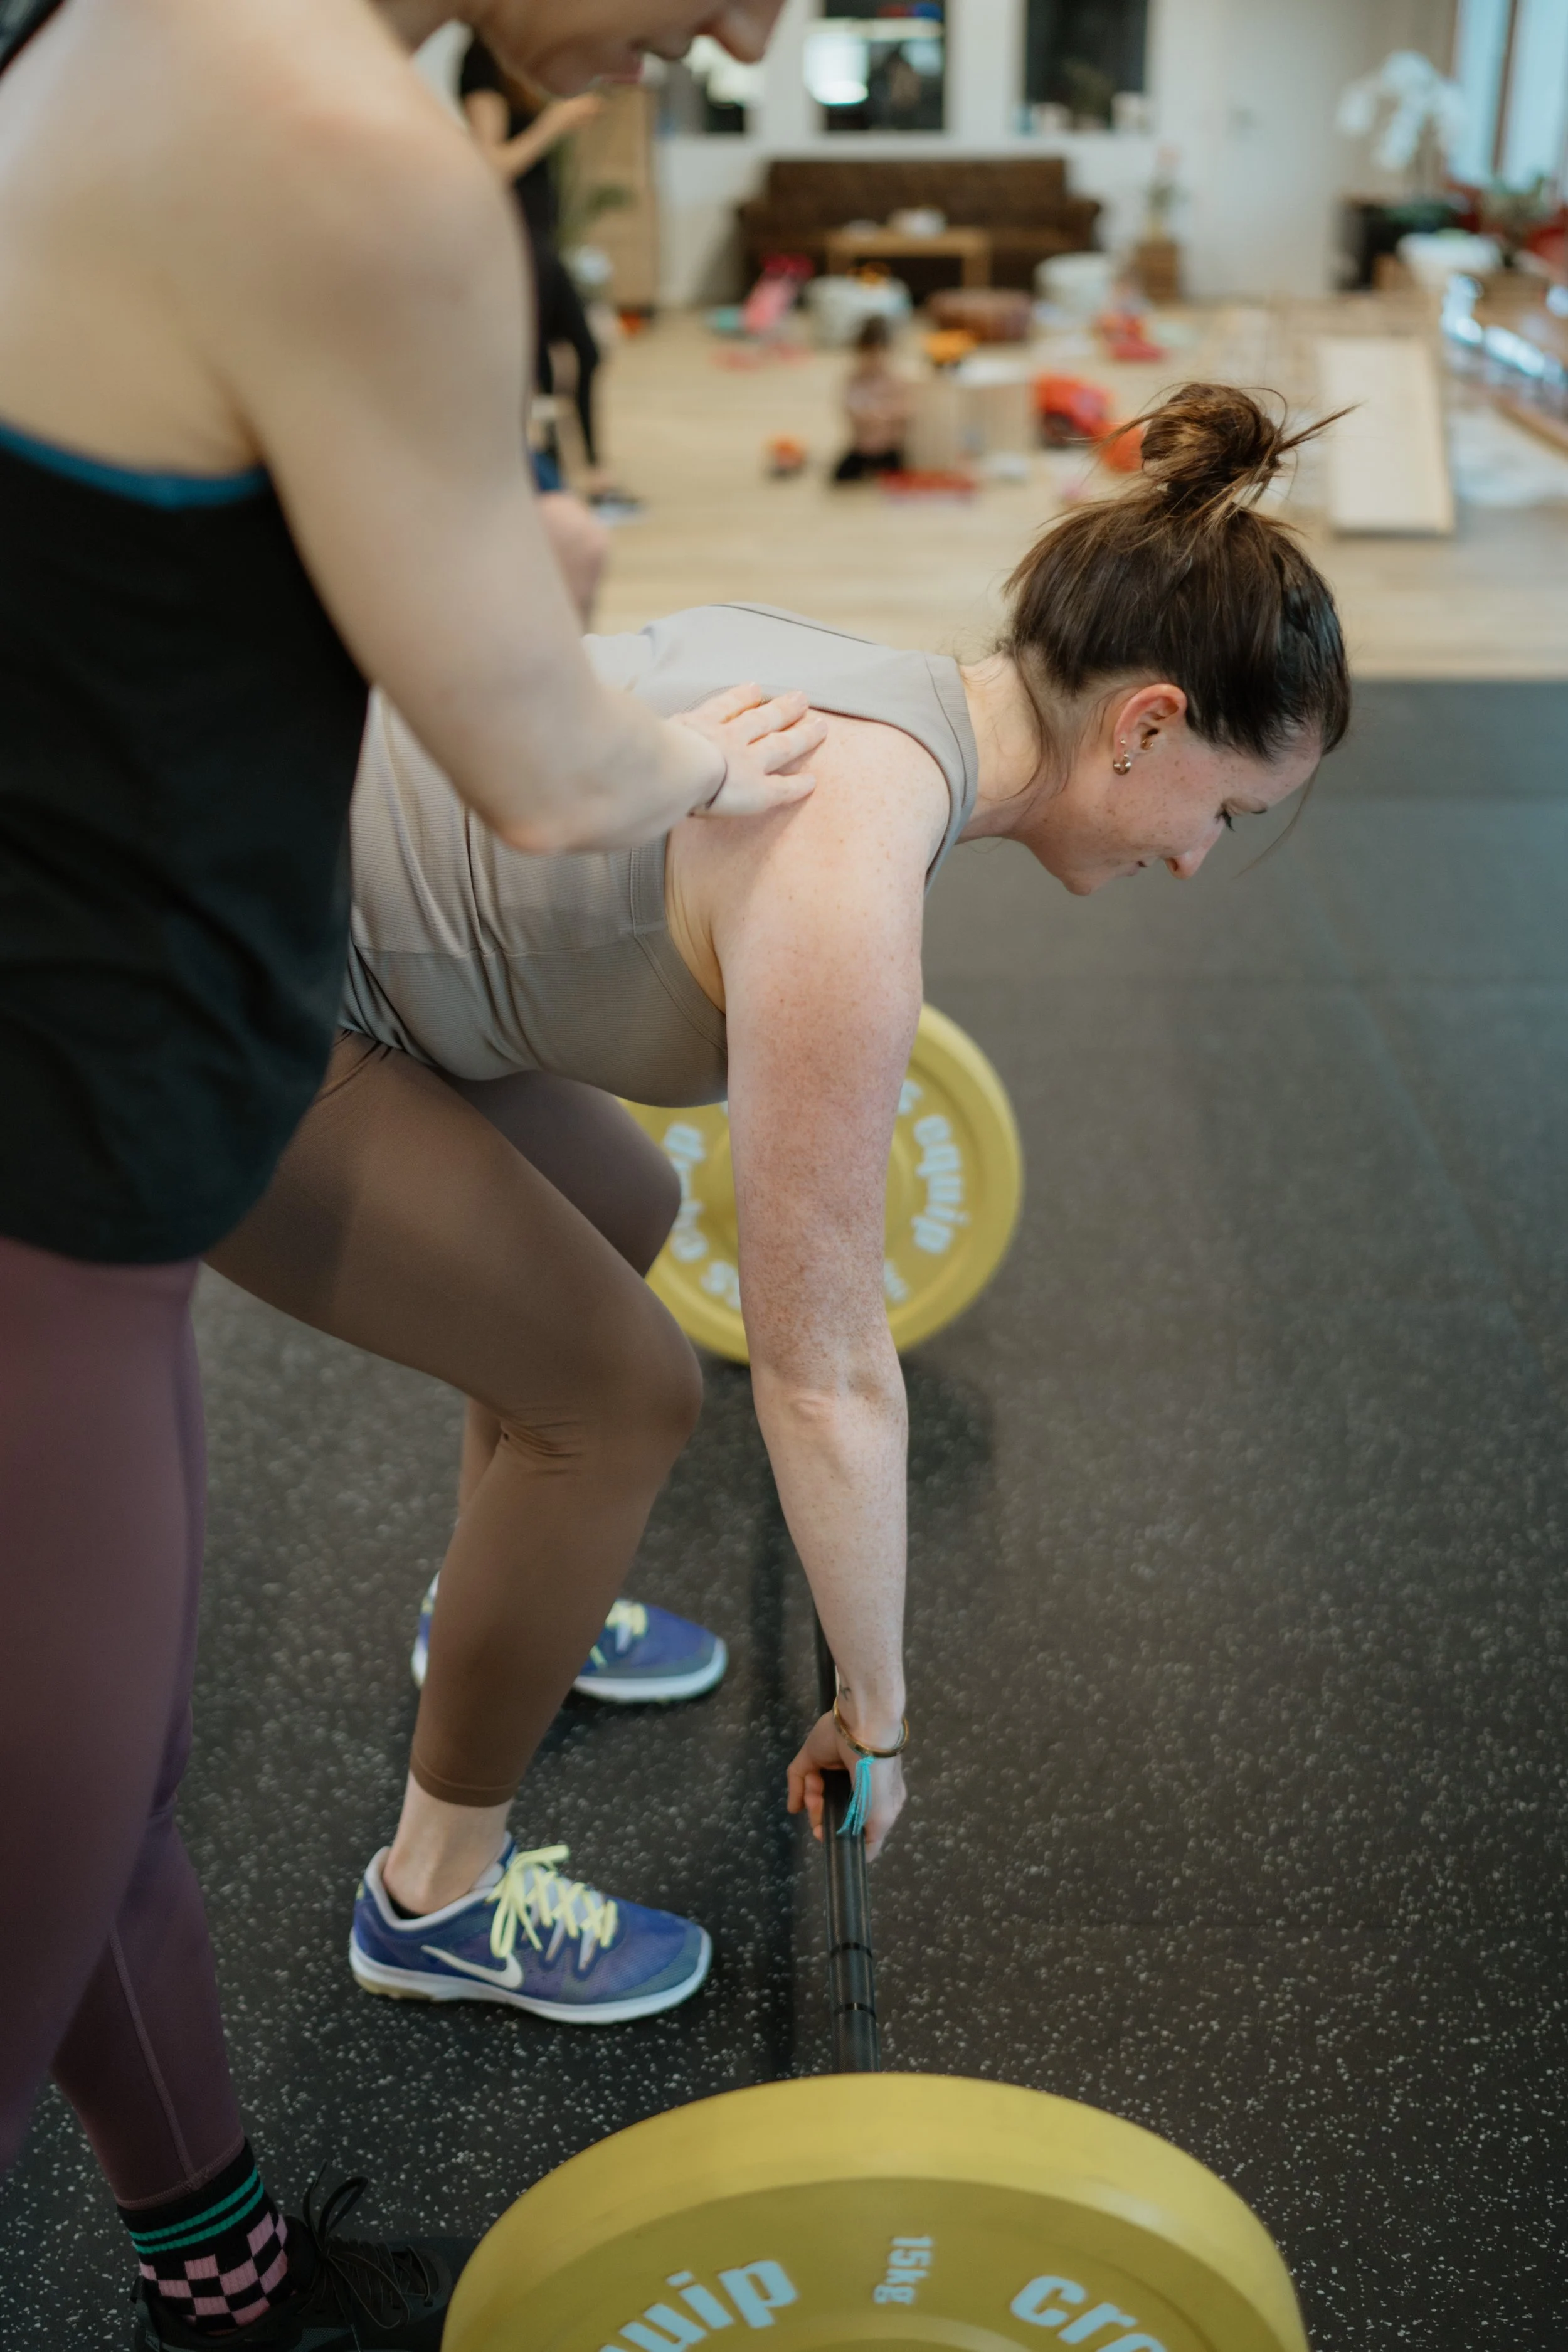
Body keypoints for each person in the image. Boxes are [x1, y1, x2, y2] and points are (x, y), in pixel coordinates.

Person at [0, 0, 806, 2344]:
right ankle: (433, 1883)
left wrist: (482, 542)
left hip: (123, 1131)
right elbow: (552, 772)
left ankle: (216, 2254)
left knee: (100, 1795)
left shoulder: (142, 38)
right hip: (55, 1142)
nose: (748, 27)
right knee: (46, 1842)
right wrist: (681, 736)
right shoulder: (347, 147)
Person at [207, 386, 1352, 2029]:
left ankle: (497, 1599)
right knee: (619, 1393)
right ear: (1148, 722)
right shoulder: (848, 864)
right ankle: (433, 1892)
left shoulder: (896, 692)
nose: (1193, 859)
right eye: (1224, 812)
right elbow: (822, 1366)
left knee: (614, 1201)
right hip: (227, 983)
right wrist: (875, 1706)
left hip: (336, 919)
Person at [460, 37, 636, 514]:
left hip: (541, 242)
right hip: (515, 244)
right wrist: (553, 125)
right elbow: (490, 165)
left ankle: (593, 474)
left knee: (585, 350)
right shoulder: (481, 64)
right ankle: (543, 484)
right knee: (534, 369)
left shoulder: (518, 64)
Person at [832, 314, 913, 482]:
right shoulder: (854, 379)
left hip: (889, 447)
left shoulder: (895, 379)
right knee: (840, 477)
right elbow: (848, 408)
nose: (873, 360)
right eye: (867, 353)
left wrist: (883, 415)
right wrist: (867, 416)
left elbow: (905, 410)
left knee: (900, 478)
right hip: (862, 447)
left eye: (878, 353)